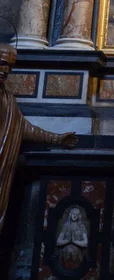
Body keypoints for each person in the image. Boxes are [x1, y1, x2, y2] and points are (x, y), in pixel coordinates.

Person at [0, 43, 78, 233]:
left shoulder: (8, 99)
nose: (6, 70)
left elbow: (22, 128)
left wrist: (57, 139)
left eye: (10, 66)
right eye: (2, 63)